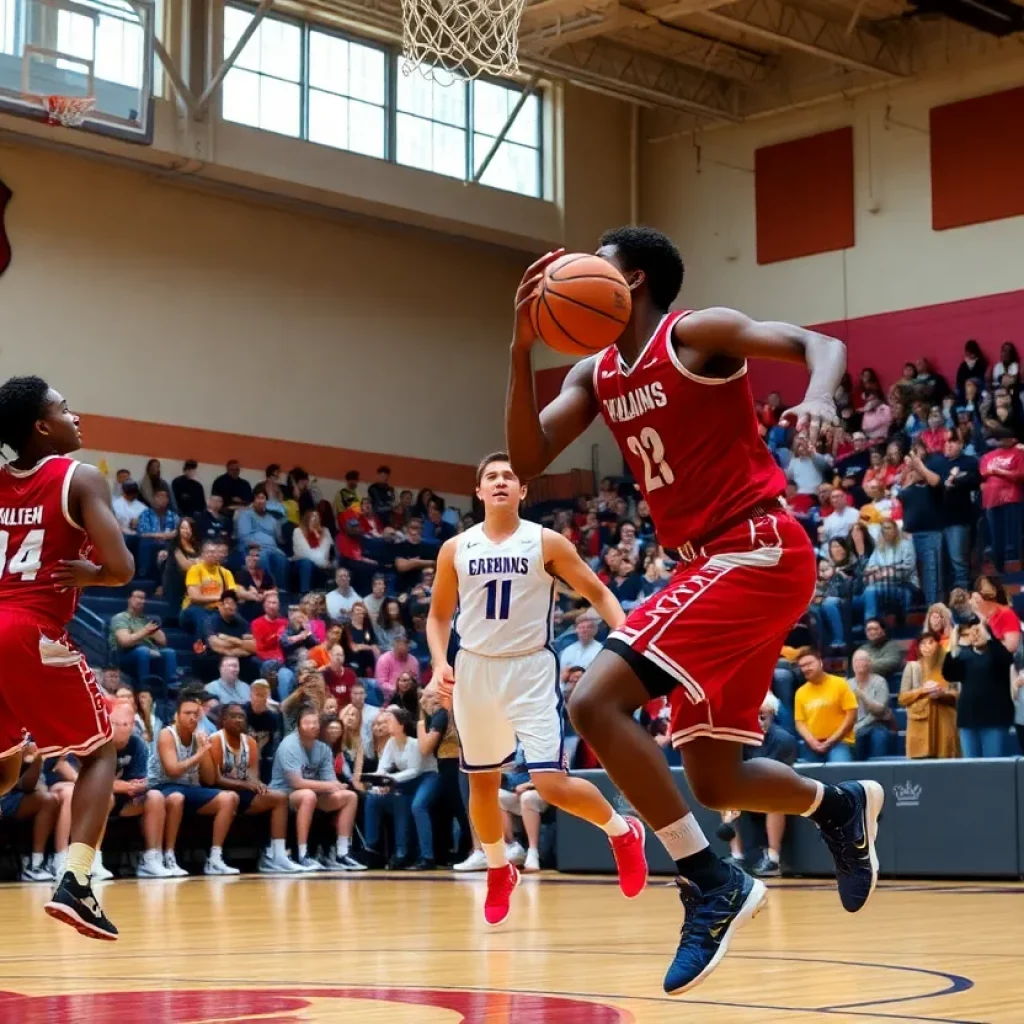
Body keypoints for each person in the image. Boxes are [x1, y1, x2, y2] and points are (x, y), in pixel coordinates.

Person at [505, 233, 882, 993]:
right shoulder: (595, 370)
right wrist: (521, 347)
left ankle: (710, 879)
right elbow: (527, 459)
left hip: (755, 549)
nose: (580, 264)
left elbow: (820, 342)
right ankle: (836, 805)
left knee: (593, 699)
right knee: (714, 779)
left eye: (599, 257)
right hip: (710, 567)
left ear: (632, 279)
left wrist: (815, 393)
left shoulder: (695, 334)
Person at [428, 453, 647, 928]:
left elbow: (599, 593)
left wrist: (628, 639)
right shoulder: (455, 548)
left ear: (522, 491)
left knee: (550, 783)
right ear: (479, 491)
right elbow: (439, 616)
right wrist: (440, 662)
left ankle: (623, 832)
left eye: (510, 475)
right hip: (475, 670)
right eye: (492, 477)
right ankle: (497, 868)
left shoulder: (546, 541)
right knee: (482, 782)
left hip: (530, 669)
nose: (501, 481)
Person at [0, 376, 136, 938]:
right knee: (102, 749)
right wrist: (96, 574)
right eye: (62, 408)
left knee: (6, 764)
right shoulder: (80, 478)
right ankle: (77, 881)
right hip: (30, 629)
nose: (74, 415)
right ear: (40, 425)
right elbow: (123, 568)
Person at [147, 690, 241, 876]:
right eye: (187, 713)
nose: (192, 717)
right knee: (176, 798)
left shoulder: (200, 736)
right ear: (177, 716)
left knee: (229, 798)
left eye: (195, 714)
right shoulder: (167, 734)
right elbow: (172, 771)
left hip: (191, 789)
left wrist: (204, 750)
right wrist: (198, 755)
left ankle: (215, 858)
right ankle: (168, 856)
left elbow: (209, 779)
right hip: (163, 787)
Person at [202, 703, 303, 873]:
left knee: (279, 797)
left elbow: (252, 774)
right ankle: (214, 858)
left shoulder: (250, 742)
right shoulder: (216, 739)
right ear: (224, 720)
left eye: (241, 717)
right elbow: (215, 779)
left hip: (241, 792)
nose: (238, 720)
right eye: (233, 716)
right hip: (216, 791)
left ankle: (277, 856)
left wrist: (258, 784)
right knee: (230, 798)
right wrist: (246, 784)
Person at [269, 705, 365, 871]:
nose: (313, 726)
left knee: (349, 796)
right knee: (307, 795)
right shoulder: (289, 745)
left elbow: (331, 781)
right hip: (283, 793)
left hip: (313, 792)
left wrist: (337, 786)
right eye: (307, 723)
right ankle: (302, 854)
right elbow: (296, 783)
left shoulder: (323, 748)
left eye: (315, 722)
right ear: (298, 725)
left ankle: (342, 854)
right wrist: (330, 785)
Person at [107, 703, 171, 877]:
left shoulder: (137, 744)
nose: (120, 728)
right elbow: (96, 782)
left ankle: (151, 859)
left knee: (156, 797)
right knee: (105, 797)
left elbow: (142, 779)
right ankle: (93, 860)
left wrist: (138, 786)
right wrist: (125, 785)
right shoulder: (100, 743)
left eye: (125, 724)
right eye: (114, 723)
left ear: (133, 726)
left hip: (126, 799)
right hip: (99, 799)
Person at [942, 615, 1015, 758]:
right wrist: (954, 645)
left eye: (978, 631)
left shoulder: (997, 653)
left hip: (995, 719)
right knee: (970, 768)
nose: (975, 636)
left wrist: (988, 635)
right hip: (968, 719)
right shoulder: (963, 656)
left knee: (993, 766)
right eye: (970, 633)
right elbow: (949, 674)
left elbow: (1006, 658)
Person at [899, 632, 958, 759]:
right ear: (918, 648)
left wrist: (942, 694)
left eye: (931, 642)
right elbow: (902, 698)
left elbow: (958, 694)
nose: (927, 646)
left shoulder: (950, 666)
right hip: (920, 722)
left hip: (945, 721)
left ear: (938, 644)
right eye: (923, 643)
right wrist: (923, 691)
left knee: (946, 761)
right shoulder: (913, 667)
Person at [794, 649, 858, 763]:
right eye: (802, 666)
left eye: (809, 664)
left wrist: (830, 741)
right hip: (812, 746)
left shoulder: (840, 684)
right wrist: (812, 742)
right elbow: (800, 722)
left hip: (840, 743)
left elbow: (851, 715)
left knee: (839, 773)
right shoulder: (800, 692)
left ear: (820, 662)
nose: (806, 668)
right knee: (805, 778)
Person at [847, 650, 893, 760]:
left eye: (862, 660)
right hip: (853, 726)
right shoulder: (848, 684)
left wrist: (863, 695)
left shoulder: (879, 681)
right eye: (856, 661)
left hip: (877, 724)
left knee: (878, 736)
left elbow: (880, 710)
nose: (859, 663)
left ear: (869, 663)